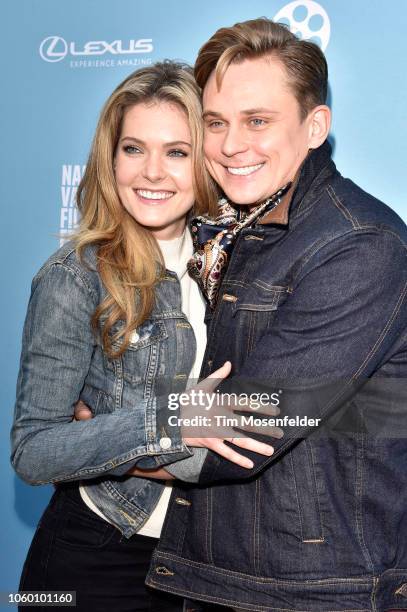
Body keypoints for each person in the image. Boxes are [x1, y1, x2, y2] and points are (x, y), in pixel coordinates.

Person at [145, 20, 407, 611]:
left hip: (314, 590)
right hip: (225, 574)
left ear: (314, 127)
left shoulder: (359, 245)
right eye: (216, 122)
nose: (231, 144)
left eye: (257, 121)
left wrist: (107, 429)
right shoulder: (235, 231)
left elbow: (243, 423)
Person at [10, 61, 278, 612]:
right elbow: (34, 451)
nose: (152, 172)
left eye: (177, 152)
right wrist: (167, 423)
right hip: (96, 552)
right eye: (134, 149)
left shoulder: (240, 268)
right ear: (111, 160)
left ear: (206, 160)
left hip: (211, 559)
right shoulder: (75, 277)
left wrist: (114, 440)